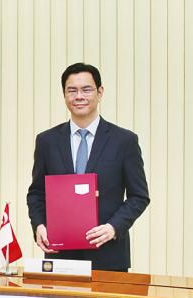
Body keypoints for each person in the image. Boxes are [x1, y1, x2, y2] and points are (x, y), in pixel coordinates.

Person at [27, 63, 150, 272]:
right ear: (64, 95)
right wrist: (39, 225)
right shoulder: (47, 141)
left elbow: (139, 196)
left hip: (108, 254)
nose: (79, 96)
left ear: (99, 92)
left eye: (86, 89)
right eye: (71, 90)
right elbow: (37, 193)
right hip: (60, 255)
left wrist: (113, 227)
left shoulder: (124, 141)